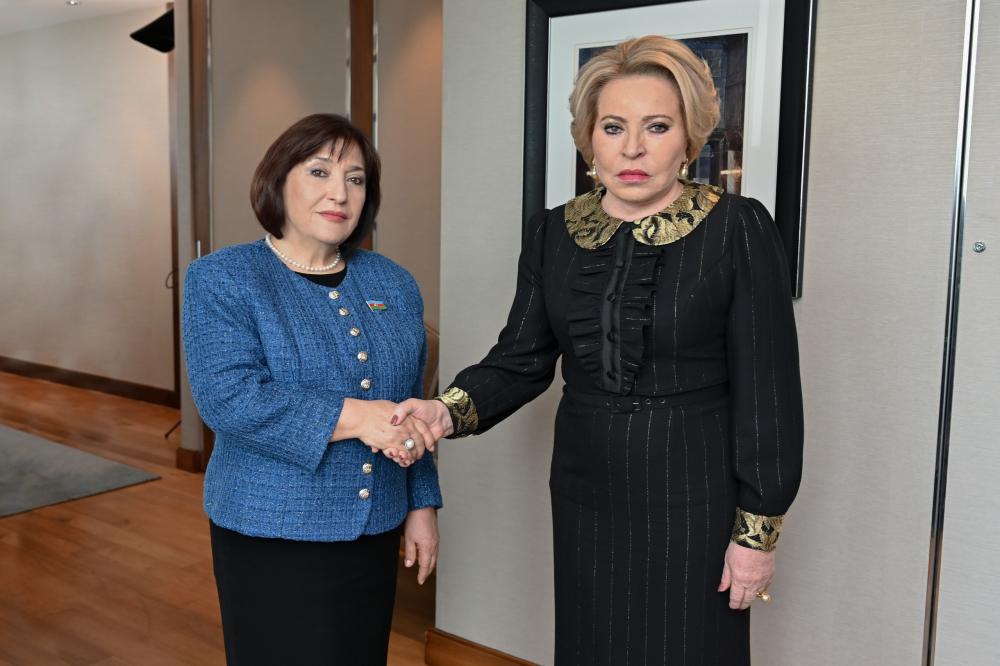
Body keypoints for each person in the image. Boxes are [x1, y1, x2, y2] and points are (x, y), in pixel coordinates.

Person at [393, 36, 803, 665]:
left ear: (689, 138)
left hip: (695, 495)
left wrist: (757, 532)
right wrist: (443, 411)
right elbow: (520, 359)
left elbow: (767, 391)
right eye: (613, 127)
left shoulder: (736, 227)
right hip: (586, 488)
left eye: (657, 127)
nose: (632, 148)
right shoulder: (554, 232)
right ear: (589, 138)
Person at [182, 113, 442, 666]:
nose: (339, 193)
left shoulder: (394, 282)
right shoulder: (223, 277)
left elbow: (409, 405)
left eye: (355, 178)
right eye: (319, 171)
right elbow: (229, 397)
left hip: (374, 529)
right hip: (271, 531)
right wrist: (357, 417)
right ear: (278, 180)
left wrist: (421, 504)